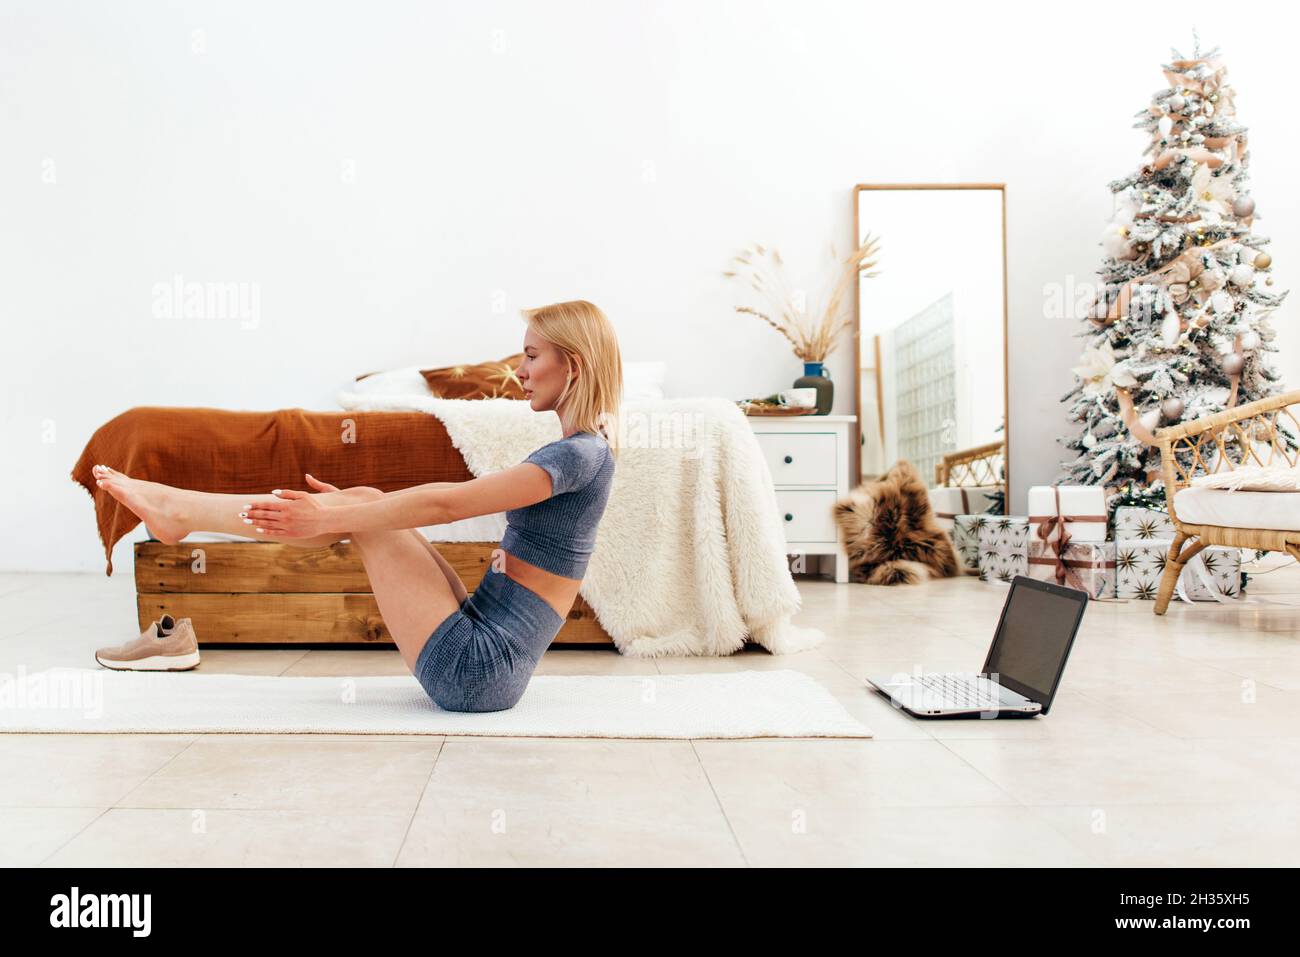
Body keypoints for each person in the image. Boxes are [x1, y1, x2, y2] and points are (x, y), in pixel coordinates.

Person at [91, 299, 623, 712]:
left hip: (477, 672)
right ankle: (181, 512)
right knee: (363, 503)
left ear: (571, 366)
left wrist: (334, 516)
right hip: (483, 647)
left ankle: (180, 512)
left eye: (531, 356)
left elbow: (445, 504)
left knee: (359, 514)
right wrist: (342, 511)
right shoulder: (586, 450)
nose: (522, 370)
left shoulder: (577, 456)